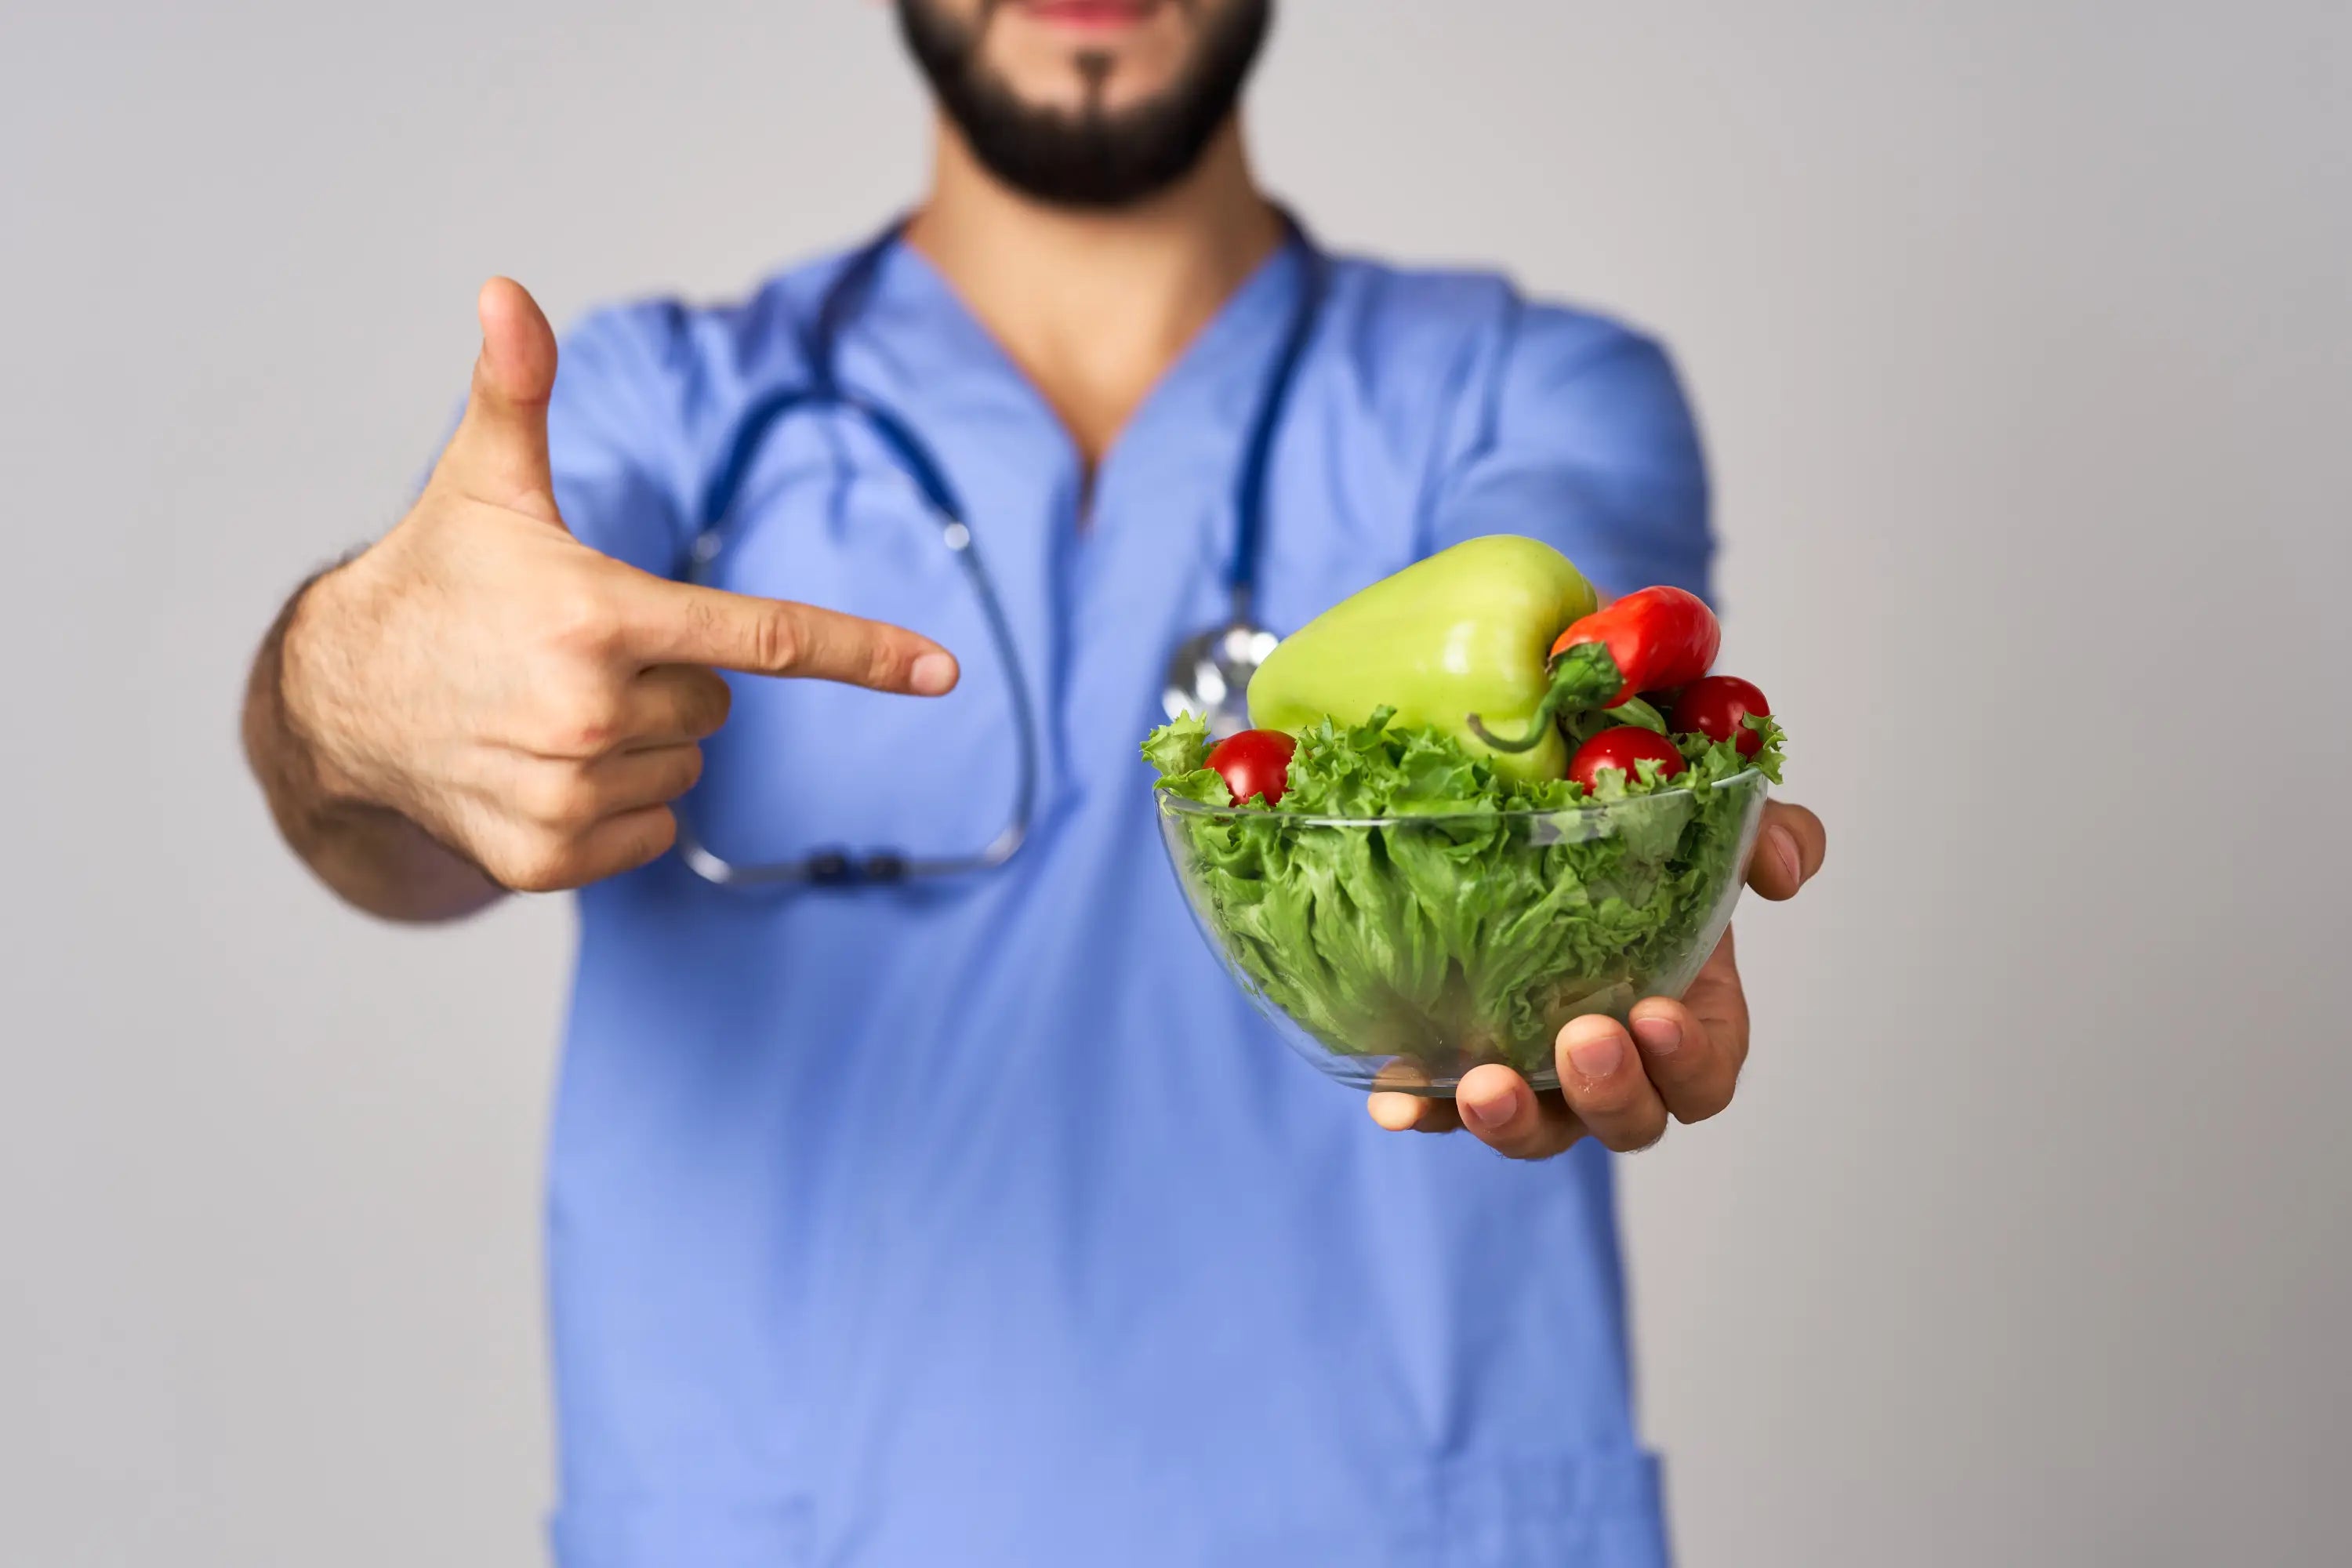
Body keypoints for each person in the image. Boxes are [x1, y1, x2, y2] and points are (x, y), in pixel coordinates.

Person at [241, 2, 1827, 1563]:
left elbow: (1593, 633)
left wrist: (1632, 858)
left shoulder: (1530, 393)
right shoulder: (664, 414)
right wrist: (351, 692)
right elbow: (416, 816)